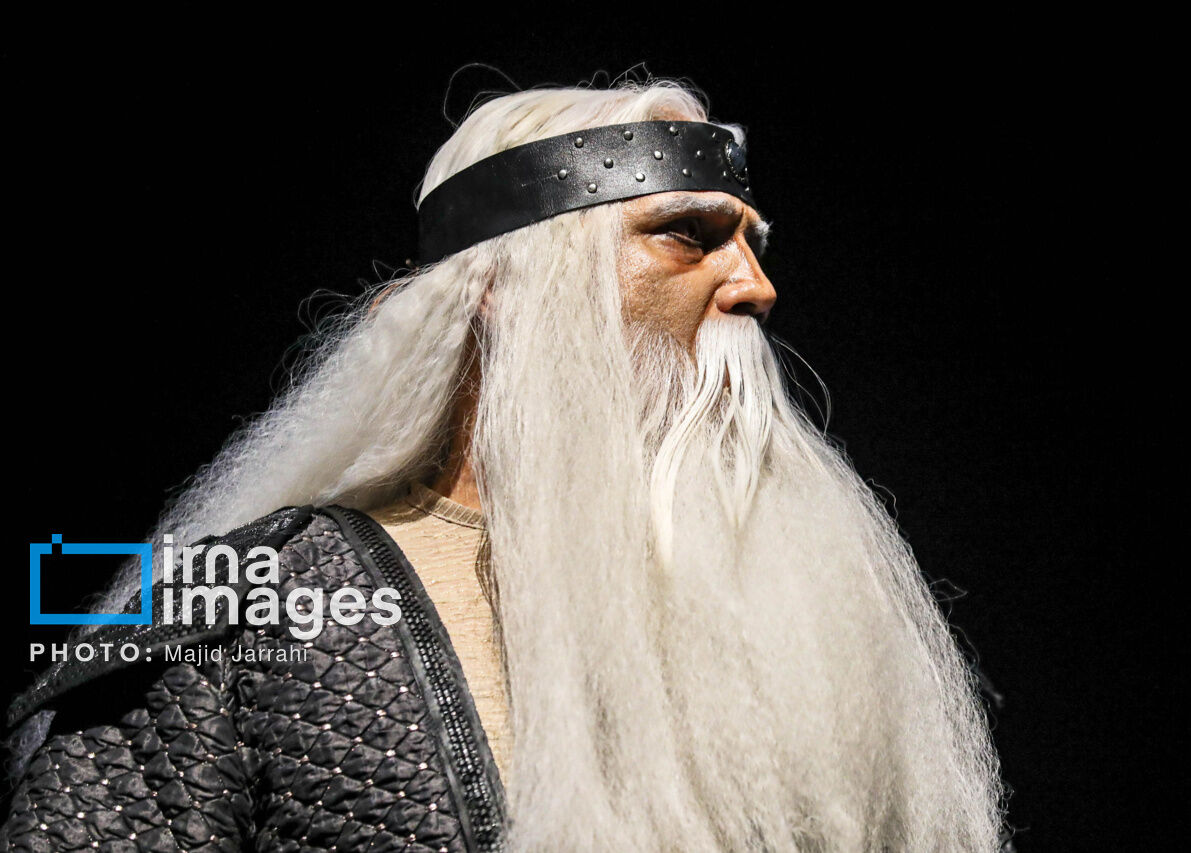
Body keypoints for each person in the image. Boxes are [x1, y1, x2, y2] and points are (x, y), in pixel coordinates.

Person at [1, 79, 1009, 851]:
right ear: (504, 287)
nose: (753, 284)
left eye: (748, 242)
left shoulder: (804, 604)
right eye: (684, 236)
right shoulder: (254, 605)